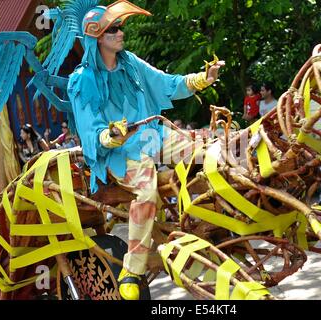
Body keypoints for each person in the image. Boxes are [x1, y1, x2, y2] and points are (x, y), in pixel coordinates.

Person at [67, 1, 224, 300]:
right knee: (146, 187)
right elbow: (90, 130)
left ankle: (218, 220)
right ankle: (132, 269)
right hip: (117, 152)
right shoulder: (81, 80)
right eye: (113, 29)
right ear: (97, 36)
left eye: (120, 27)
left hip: (153, 134)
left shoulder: (131, 63)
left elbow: (167, 83)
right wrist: (109, 135)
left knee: (210, 151)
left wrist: (204, 79)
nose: (120, 32)